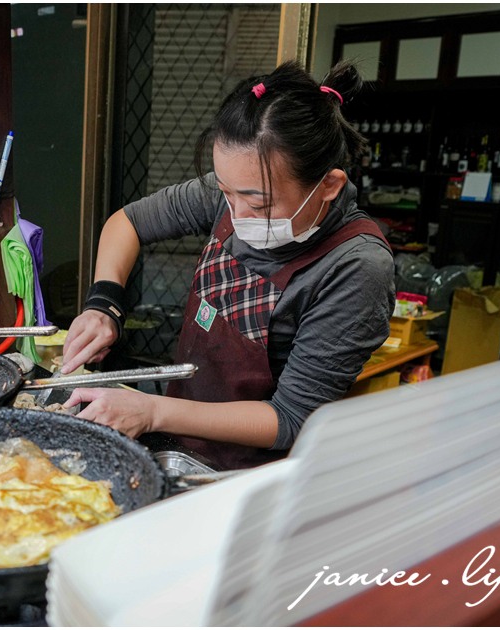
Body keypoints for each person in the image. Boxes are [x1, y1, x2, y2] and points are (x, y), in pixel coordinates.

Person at [62, 61, 395, 470]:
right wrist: (104, 303)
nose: (235, 213)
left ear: (329, 186)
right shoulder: (236, 187)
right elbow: (126, 223)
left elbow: (290, 418)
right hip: (178, 440)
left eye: (259, 204)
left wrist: (151, 410)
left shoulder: (356, 267)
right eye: (225, 192)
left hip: (252, 475)